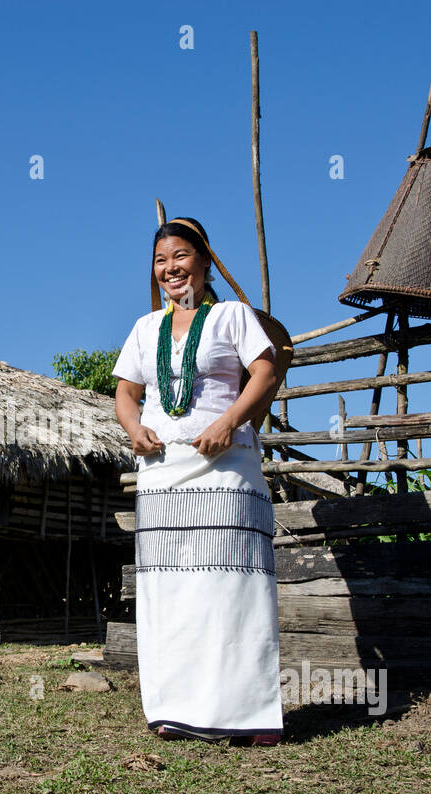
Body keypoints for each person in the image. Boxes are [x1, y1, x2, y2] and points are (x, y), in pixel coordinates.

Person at [111, 216, 284, 746]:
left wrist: (229, 421)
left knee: (232, 584)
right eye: (162, 261)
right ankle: (175, 708)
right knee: (171, 587)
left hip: (225, 465)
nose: (171, 269)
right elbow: (125, 392)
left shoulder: (232, 316)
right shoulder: (145, 328)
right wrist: (134, 427)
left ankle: (248, 714)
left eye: (181, 257)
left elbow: (267, 371)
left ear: (204, 261)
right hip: (163, 471)